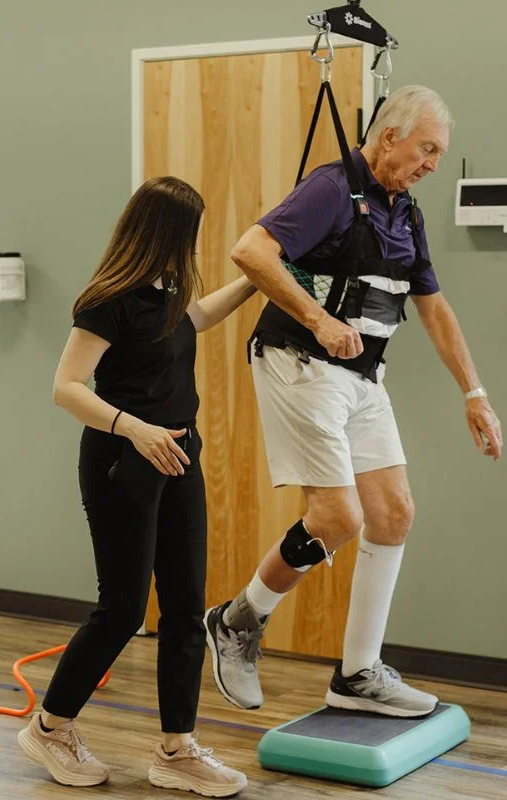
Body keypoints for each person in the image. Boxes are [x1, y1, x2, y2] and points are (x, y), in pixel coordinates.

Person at [204, 85, 503, 718]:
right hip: (301, 362)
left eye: (439, 154)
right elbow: (250, 251)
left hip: (364, 376)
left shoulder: (406, 212)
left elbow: (433, 308)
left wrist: (474, 393)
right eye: (427, 149)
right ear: (389, 136)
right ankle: (236, 621)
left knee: (393, 513)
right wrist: (317, 318)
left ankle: (358, 673)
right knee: (338, 518)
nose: (432, 164)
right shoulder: (332, 187)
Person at [18, 176, 255, 796]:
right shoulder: (110, 299)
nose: (194, 247)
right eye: (189, 234)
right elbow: (66, 387)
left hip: (178, 455)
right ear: (165, 234)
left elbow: (198, 318)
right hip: (122, 459)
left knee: (186, 607)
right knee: (122, 609)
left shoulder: (169, 294)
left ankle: (177, 750)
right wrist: (134, 428)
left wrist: (257, 278)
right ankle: (49, 728)